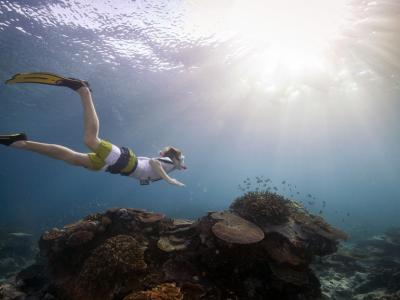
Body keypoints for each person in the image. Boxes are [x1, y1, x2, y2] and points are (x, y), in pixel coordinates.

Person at [0, 72, 186, 187]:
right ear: (174, 158)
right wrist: (170, 179)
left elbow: (162, 165)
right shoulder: (168, 164)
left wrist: (175, 170)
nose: (183, 163)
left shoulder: (172, 167)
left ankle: (20, 142)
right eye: (181, 159)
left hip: (114, 166)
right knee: (90, 140)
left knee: (72, 158)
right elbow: (154, 163)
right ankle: (83, 91)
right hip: (124, 161)